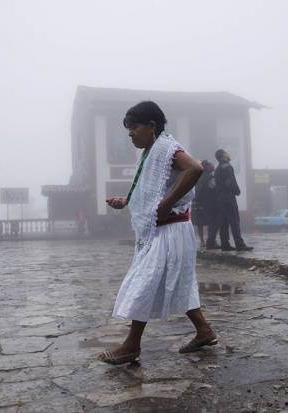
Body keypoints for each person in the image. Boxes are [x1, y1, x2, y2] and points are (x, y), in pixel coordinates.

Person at [98, 101, 216, 365]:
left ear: (151, 125)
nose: (131, 135)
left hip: (171, 229)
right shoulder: (148, 154)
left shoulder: (167, 148)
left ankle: (131, 345)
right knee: (177, 283)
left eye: (134, 128)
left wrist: (167, 203)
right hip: (161, 230)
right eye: (128, 130)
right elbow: (147, 190)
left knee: (145, 281)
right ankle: (204, 331)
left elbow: (195, 169)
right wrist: (125, 201)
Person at [206, 149, 253, 251]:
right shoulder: (227, 167)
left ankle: (225, 244)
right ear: (223, 155)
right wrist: (237, 191)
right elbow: (230, 182)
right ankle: (239, 244)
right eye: (227, 152)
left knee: (224, 222)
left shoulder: (218, 169)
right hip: (228, 198)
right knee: (234, 221)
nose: (229, 154)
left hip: (220, 199)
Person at [192, 160, 216, 248]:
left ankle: (202, 241)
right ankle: (211, 240)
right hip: (207, 202)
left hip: (196, 202)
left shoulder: (196, 176)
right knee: (211, 221)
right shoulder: (209, 176)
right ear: (207, 167)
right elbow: (213, 187)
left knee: (199, 223)